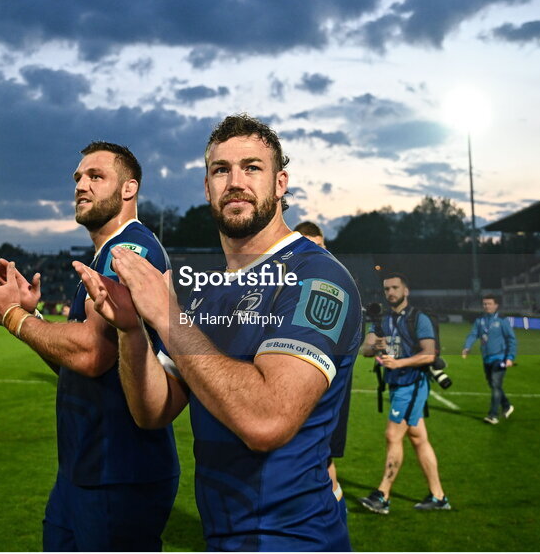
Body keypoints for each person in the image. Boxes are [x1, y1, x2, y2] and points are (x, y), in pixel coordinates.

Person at [76, 115, 362, 550]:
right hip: (224, 536)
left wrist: (169, 317)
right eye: (221, 170)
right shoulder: (208, 296)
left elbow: (267, 421)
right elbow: (152, 411)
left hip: (294, 538)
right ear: (207, 187)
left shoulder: (316, 276)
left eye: (252, 167)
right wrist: (131, 331)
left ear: (280, 183)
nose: (235, 181)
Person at [0, 142, 178, 552]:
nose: (81, 185)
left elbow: (93, 354)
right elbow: (76, 361)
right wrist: (31, 316)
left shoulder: (130, 250)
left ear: (128, 190)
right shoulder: (101, 258)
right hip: (84, 467)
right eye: (78, 177)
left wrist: (12, 316)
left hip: (119, 470)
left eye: (96, 176)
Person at [358, 273, 450, 515]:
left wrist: (400, 363)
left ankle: (383, 495)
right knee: (418, 438)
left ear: (406, 291)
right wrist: (374, 346)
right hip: (396, 384)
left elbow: (429, 354)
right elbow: (365, 349)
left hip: (413, 383)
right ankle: (439, 496)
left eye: (395, 287)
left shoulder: (418, 319)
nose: (390, 292)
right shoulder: (381, 319)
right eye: (387, 288)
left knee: (392, 435)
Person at [294, 221, 348, 513]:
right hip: (295, 393)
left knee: (323, 464)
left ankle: (334, 522)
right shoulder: (287, 284)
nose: (315, 253)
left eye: (320, 246)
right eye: (308, 246)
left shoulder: (335, 284)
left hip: (325, 398)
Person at [462, 294, 517, 424]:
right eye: (485, 304)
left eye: (489, 304)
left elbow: (511, 339)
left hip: (500, 357)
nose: (486, 306)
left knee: (495, 384)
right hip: (486, 358)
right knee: (493, 384)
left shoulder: (502, 321)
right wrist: (467, 347)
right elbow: (473, 334)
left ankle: (493, 415)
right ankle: (507, 406)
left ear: (496, 305)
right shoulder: (480, 320)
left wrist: (509, 357)